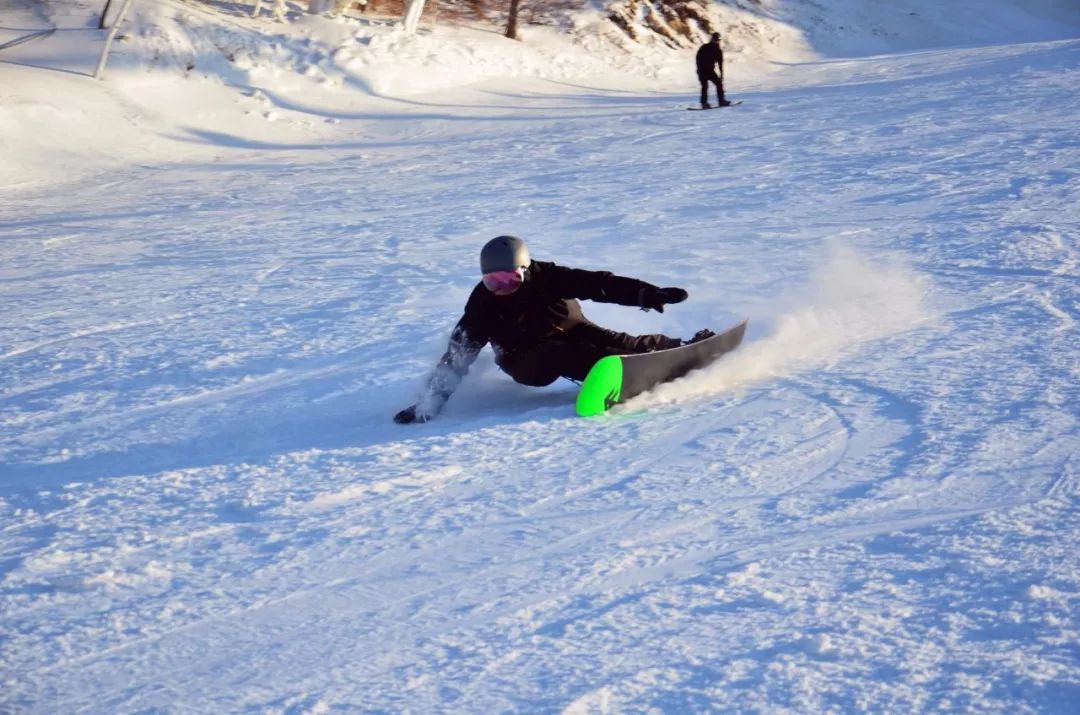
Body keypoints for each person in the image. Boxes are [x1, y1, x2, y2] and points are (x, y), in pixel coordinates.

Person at [393, 236, 716, 424]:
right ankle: (618, 374)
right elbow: (458, 354)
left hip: (569, 329)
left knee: (614, 340)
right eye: (493, 282)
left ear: (525, 270)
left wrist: (646, 294)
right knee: (563, 353)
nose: (502, 288)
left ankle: (676, 350)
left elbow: (598, 285)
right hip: (525, 360)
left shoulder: (549, 276)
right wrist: (428, 404)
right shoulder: (482, 305)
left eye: (510, 280)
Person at [696, 31, 729, 109]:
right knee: (705, 86)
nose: (717, 41)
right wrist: (699, 69)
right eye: (715, 39)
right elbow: (698, 58)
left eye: (718, 39)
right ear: (712, 39)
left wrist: (721, 74)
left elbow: (720, 63)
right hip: (702, 70)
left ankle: (721, 101)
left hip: (710, 71)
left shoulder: (718, 51)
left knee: (719, 84)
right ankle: (704, 103)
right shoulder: (704, 47)